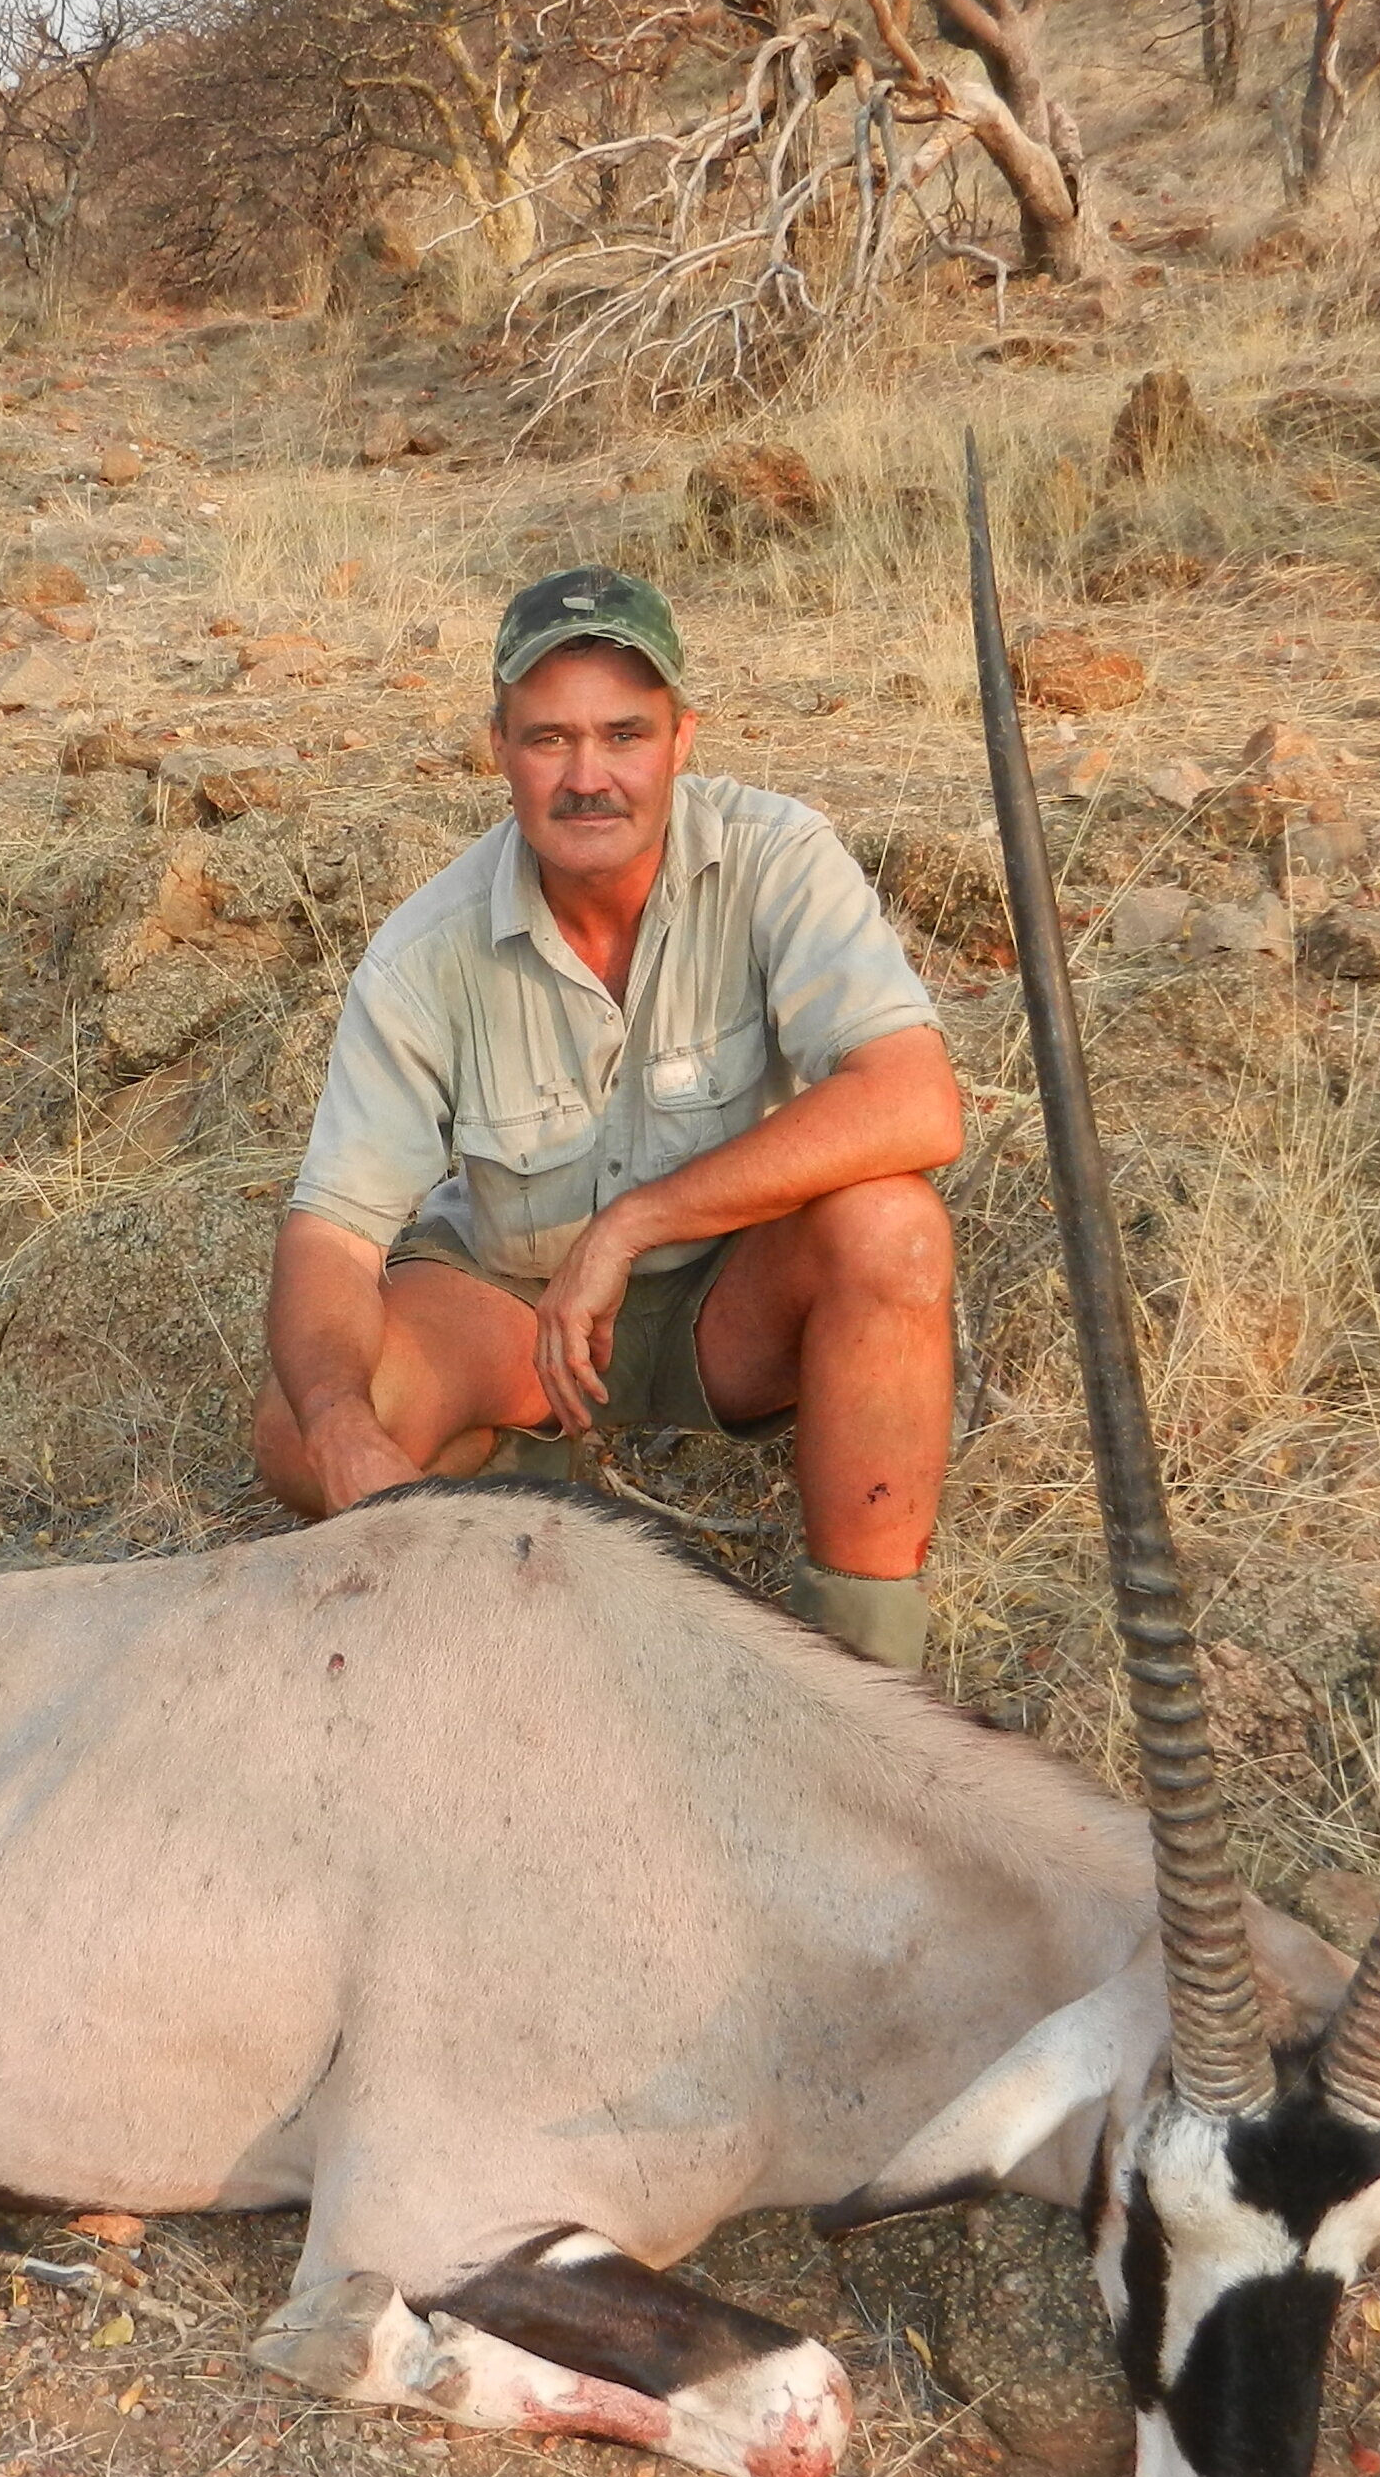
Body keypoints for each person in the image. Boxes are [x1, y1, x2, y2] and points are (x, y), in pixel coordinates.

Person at [252, 564, 962, 1670]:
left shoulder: (778, 856)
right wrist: (344, 1431)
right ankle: (496, 1521)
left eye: (624, 734)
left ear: (683, 741)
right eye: (549, 740)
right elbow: (331, 1232)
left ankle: (866, 1666)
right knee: (300, 1432)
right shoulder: (422, 951)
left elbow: (916, 1100)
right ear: (498, 747)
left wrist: (629, 1226)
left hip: (729, 1309)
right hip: (514, 1315)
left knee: (893, 1225)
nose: (589, 778)